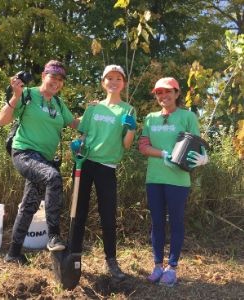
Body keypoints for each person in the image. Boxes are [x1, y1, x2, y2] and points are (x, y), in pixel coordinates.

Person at [0, 60, 80, 265]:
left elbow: (76, 124)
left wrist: (95, 113)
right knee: (52, 177)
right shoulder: (28, 94)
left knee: (30, 205)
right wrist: (15, 96)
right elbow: (2, 120)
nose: (57, 82)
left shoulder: (59, 104)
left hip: (44, 159)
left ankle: (13, 254)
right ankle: (53, 235)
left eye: (61, 79)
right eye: (53, 77)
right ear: (44, 76)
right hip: (24, 153)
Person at [138, 77, 208, 286]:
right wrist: (163, 154)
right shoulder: (150, 118)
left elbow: (198, 146)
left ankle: (173, 267)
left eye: (168, 91)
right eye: (159, 92)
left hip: (178, 180)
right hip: (155, 178)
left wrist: (204, 158)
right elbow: (143, 147)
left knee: (176, 222)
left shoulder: (187, 116)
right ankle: (158, 265)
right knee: (157, 222)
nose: (163, 96)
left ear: (177, 94)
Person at [70, 65, 136, 281]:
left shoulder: (128, 110)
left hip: (107, 167)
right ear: (103, 82)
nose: (113, 81)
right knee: (78, 212)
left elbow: (126, 145)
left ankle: (111, 261)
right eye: (109, 78)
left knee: (108, 215)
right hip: (85, 163)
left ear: (123, 83)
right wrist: (77, 146)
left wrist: (132, 129)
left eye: (118, 78)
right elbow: (83, 134)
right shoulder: (93, 108)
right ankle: (74, 258)